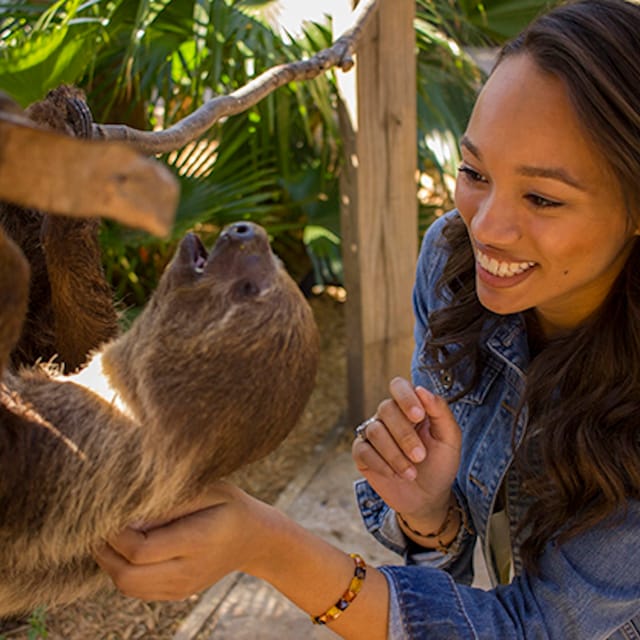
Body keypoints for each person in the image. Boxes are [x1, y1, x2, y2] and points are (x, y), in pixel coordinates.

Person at [94, 0, 640, 637]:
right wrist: (430, 513)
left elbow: (534, 629)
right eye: (474, 171)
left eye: (542, 198)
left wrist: (267, 544)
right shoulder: (455, 264)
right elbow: (454, 566)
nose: (486, 226)